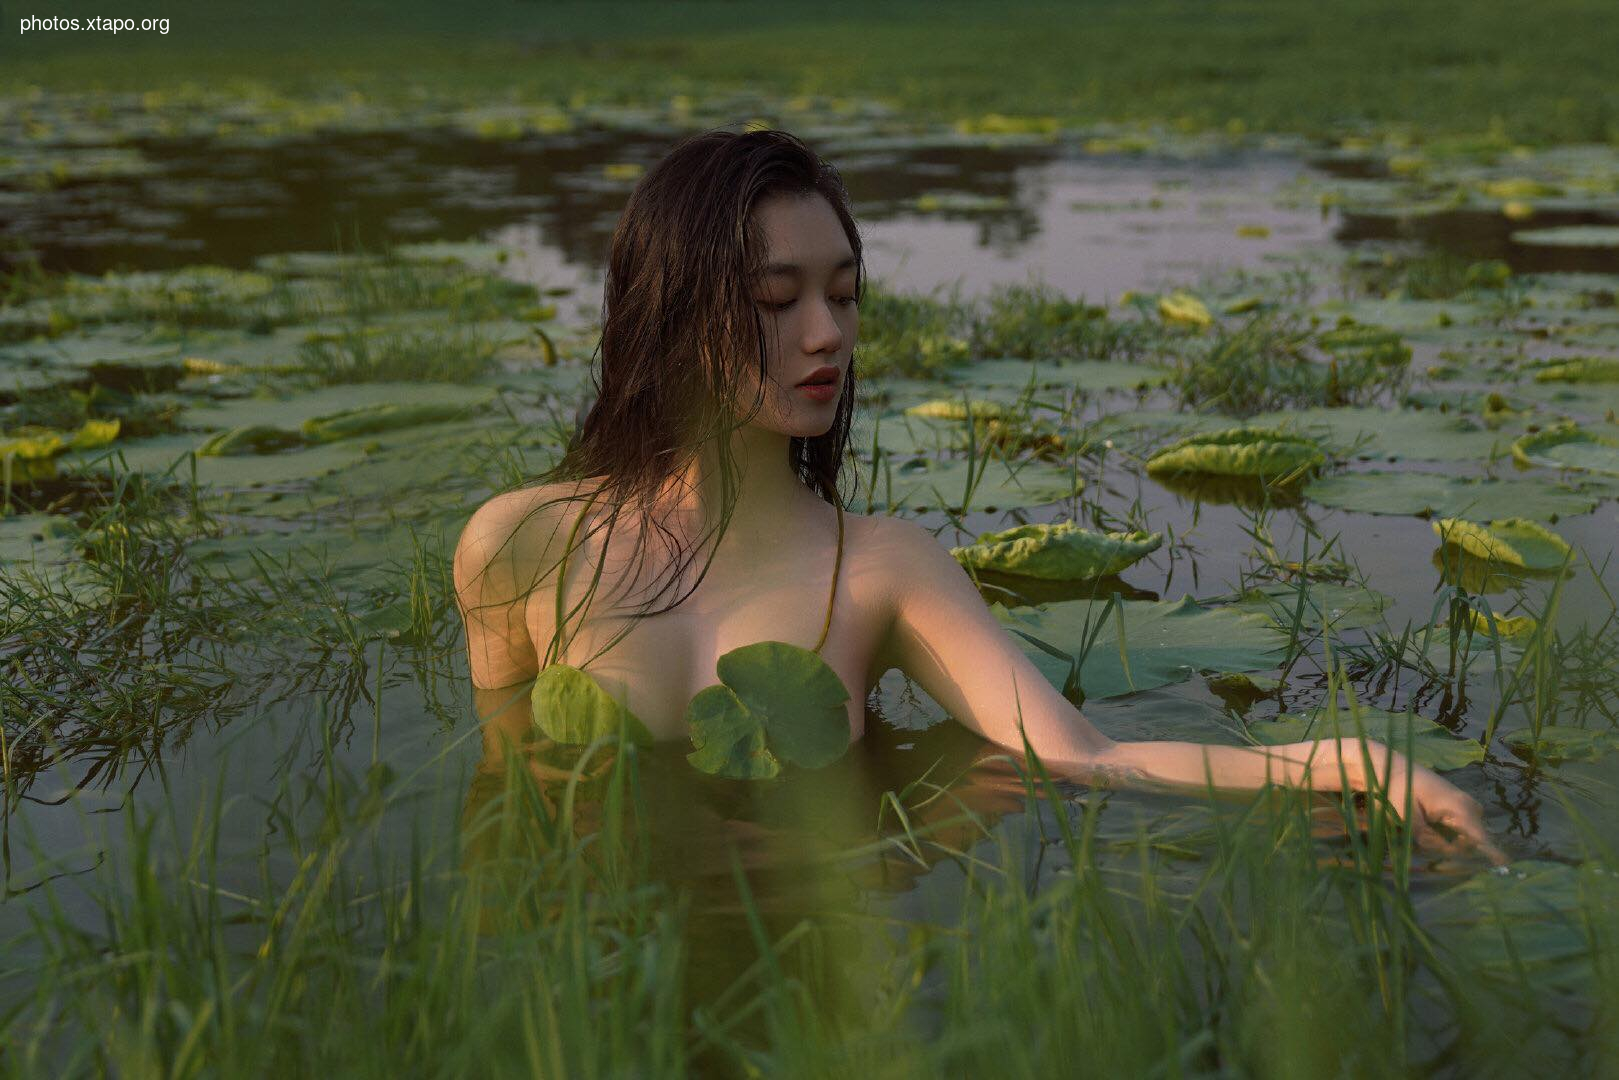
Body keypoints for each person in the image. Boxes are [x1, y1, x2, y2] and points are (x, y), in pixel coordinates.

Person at [452, 127, 1501, 863]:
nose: (826, 335)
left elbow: (1081, 757)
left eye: (844, 295)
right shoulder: (517, 544)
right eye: (778, 300)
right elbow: (503, 794)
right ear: (673, 315)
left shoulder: (879, 566)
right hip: (600, 972)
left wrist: (1340, 761)